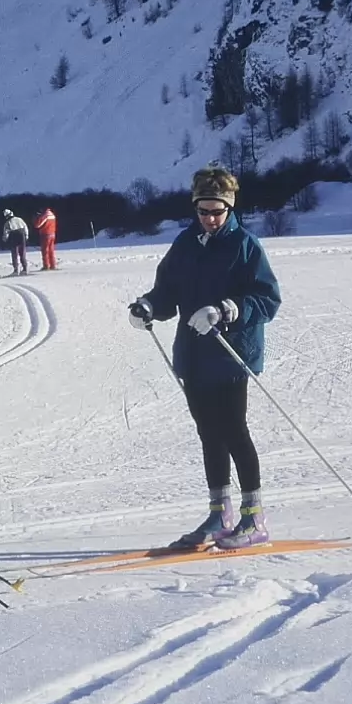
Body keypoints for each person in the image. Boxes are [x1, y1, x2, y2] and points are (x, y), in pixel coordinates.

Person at [129, 167, 281, 551]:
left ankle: (254, 516)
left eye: (217, 211)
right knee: (209, 433)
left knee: (233, 431)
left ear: (229, 208)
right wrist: (148, 306)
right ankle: (220, 514)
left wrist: (227, 310)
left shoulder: (245, 245)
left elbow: (267, 299)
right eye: (203, 211)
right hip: (194, 355)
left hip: (231, 353)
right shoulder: (185, 244)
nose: (210, 219)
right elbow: (167, 291)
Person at [0, 209, 30, 276]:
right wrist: (26, 236)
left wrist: (4, 239)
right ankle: (25, 269)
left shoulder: (7, 223)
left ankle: (16, 270)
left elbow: (6, 233)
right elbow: (25, 227)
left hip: (14, 238)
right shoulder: (19, 219)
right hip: (22, 237)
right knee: (22, 254)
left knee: (15, 255)